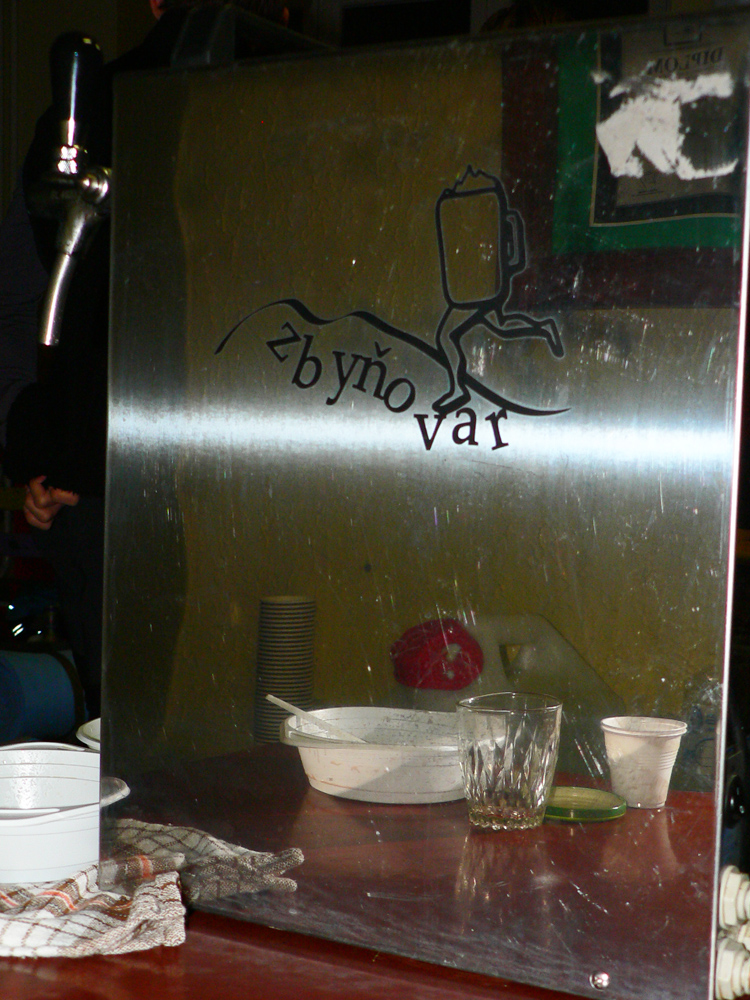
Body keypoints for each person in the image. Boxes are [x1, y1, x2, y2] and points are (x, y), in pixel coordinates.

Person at [0, 0, 291, 718]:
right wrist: (49, 449)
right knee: (154, 720)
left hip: (267, 466)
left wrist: (49, 446)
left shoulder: (309, 92)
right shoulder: (95, 113)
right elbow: (30, 300)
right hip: (137, 486)